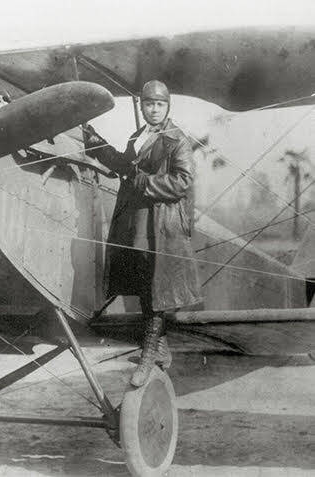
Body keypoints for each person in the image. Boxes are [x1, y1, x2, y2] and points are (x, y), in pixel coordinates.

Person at [82, 80, 202, 387]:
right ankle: (160, 349)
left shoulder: (176, 140)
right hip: (136, 222)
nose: (154, 109)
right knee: (143, 283)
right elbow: (125, 165)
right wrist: (97, 145)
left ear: (167, 106)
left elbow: (183, 182)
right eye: (149, 104)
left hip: (160, 225)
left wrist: (146, 183)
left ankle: (149, 355)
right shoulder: (139, 136)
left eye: (160, 104)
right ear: (142, 106)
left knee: (155, 289)